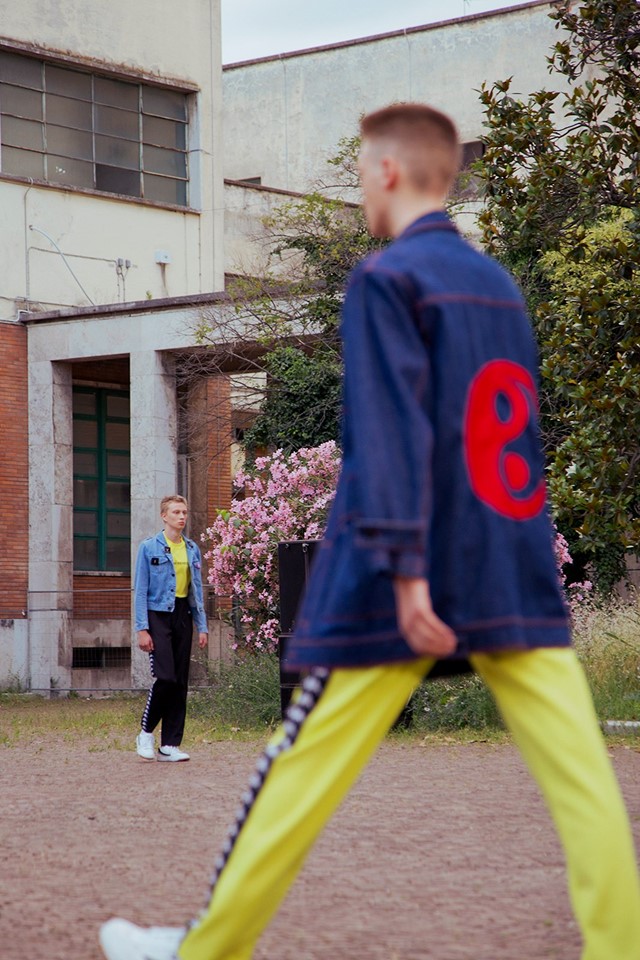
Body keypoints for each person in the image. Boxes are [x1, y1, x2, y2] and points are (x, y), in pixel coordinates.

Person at [100, 104, 640, 959]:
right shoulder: (499, 285)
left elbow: (388, 437)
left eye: (359, 173)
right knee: (584, 787)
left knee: (300, 768)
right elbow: (513, 435)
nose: (360, 190)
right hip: (510, 565)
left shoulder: (387, 280)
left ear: (388, 172)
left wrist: (410, 571)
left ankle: (205, 950)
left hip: (399, 580)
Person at [133, 494, 208, 763]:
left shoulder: (191, 549)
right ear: (164, 516)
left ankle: (170, 745)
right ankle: (145, 733)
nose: (182, 517)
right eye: (176, 512)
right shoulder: (148, 547)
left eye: (184, 512)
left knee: (180, 681)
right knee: (166, 677)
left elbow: (196, 590)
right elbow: (140, 591)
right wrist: (142, 628)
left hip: (183, 615)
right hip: (157, 615)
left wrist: (202, 625)